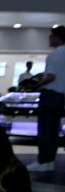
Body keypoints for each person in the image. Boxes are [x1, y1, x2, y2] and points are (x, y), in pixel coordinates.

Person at [27, 25, 65, 173]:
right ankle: (50, 162)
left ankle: (42, 161)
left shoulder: (55, 54)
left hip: (49, 95)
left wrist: (35, 85)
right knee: (53, 130)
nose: (49, 38)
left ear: (58, 37)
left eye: (52, 35)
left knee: (44, 130)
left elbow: (50, 76)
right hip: (61, 97)